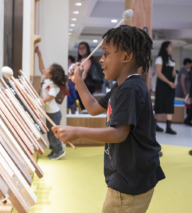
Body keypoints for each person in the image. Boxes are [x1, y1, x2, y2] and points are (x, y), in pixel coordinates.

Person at [52, 25, 165, 213]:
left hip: (131, 179)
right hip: (127, 174)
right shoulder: (120, 87)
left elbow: (119, 133)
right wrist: (79, 82)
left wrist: (77, 131)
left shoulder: (130, 88)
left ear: (126, 56)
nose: (101, 60)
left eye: (106, 54)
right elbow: (94, 108)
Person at [36, 47, 68, 160]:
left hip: (54, 113)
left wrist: (41, 101)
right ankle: (54, 150)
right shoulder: (47, 79)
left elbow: (52, 96)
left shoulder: (53, 85)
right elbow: (42, 68)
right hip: (50, 112)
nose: (46, 69)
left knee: (54, 133)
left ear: (52, 74)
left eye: (49, 68)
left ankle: (58, 150)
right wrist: (39, 55)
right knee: (50, 132)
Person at [154, 41, 177, 135]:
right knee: (159, 104)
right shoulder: (159, 59)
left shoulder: (171, 60)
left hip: (170, 86)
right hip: (162, 85)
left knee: (169, 104)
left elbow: (174, 74)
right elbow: (159, 74)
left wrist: (175, 81)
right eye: (171, 46)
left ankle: (168, 127)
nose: (172, 48)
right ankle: (154, 125)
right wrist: (169, 82)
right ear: (166, 47)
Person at [76, 42, 96, 110]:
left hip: (86, 85)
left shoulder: (86, 59)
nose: (81, 49)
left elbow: (84, 72)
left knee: (84, 106)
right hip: (86, 85)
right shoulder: (82, 59)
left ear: (87, 49)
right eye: (79, 48)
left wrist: (77, 84)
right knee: (83, 106)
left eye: (83, 48)